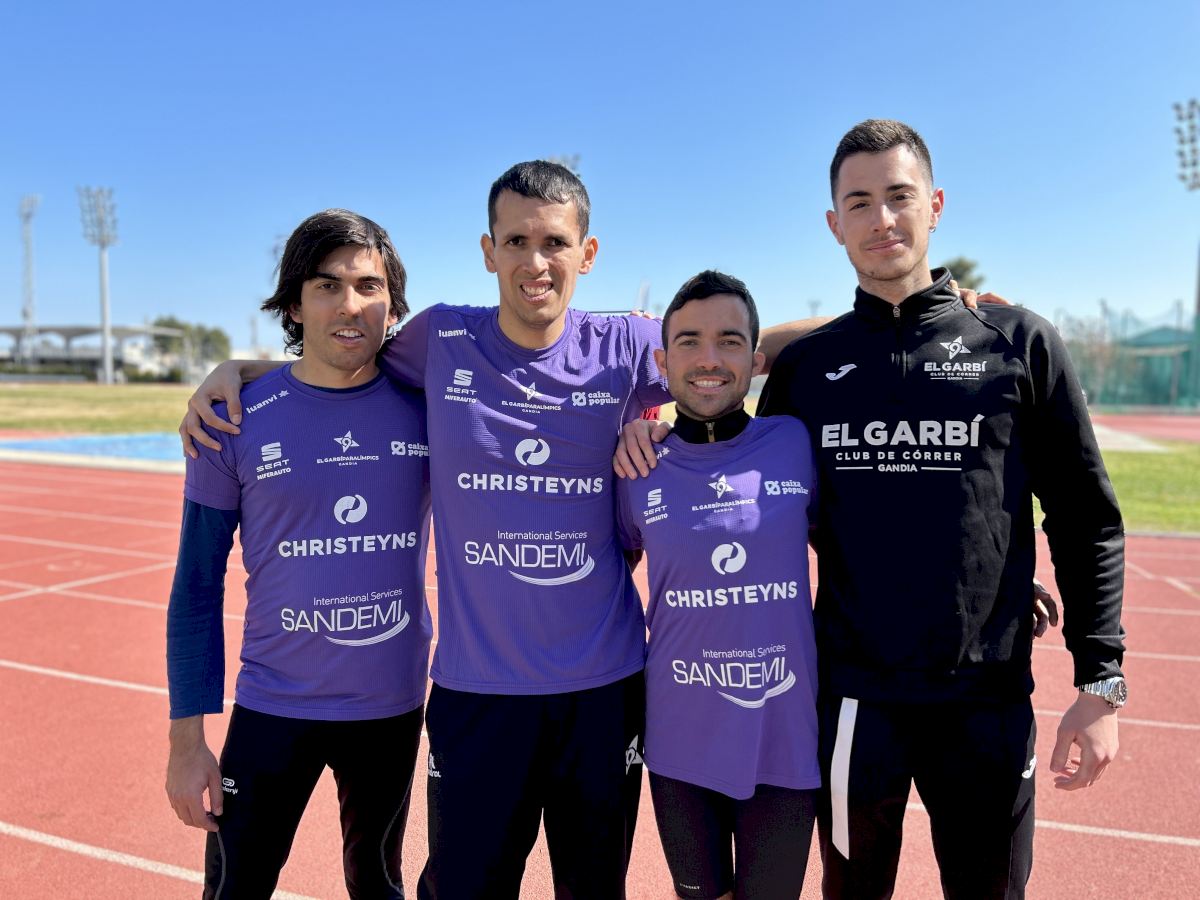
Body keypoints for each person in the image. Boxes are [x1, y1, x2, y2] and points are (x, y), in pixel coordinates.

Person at [754, 120, 1127, 898]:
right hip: (855, 698)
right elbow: (771, 510)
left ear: (936, 205)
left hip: (986, 696)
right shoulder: (806, 369)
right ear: (834, 224)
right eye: (859, 203)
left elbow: (1085, 515)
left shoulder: (1018, 342)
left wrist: (1101, 680)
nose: (882, 219)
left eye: (900, 195)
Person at [165, 209, 432, 899]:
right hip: (274, 704)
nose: (350, 305)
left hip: (391, 706)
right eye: (327, 286)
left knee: (378, 885)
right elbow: (196, 587)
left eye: (369, 286)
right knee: (235, 890)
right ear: (294, 303)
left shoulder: (428, 408)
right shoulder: (231, 418)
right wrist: (187, 744)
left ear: (392, 304)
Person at [615, 270, 820, 900]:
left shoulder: (795, 441)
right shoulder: (635, 463)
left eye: (730, 342)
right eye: (689, 342)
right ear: (662, 362)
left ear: (757, 361)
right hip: (679, 739)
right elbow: (604, 576)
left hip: (784, 736)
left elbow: (872, 536)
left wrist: (929, 307)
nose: (709, 359)